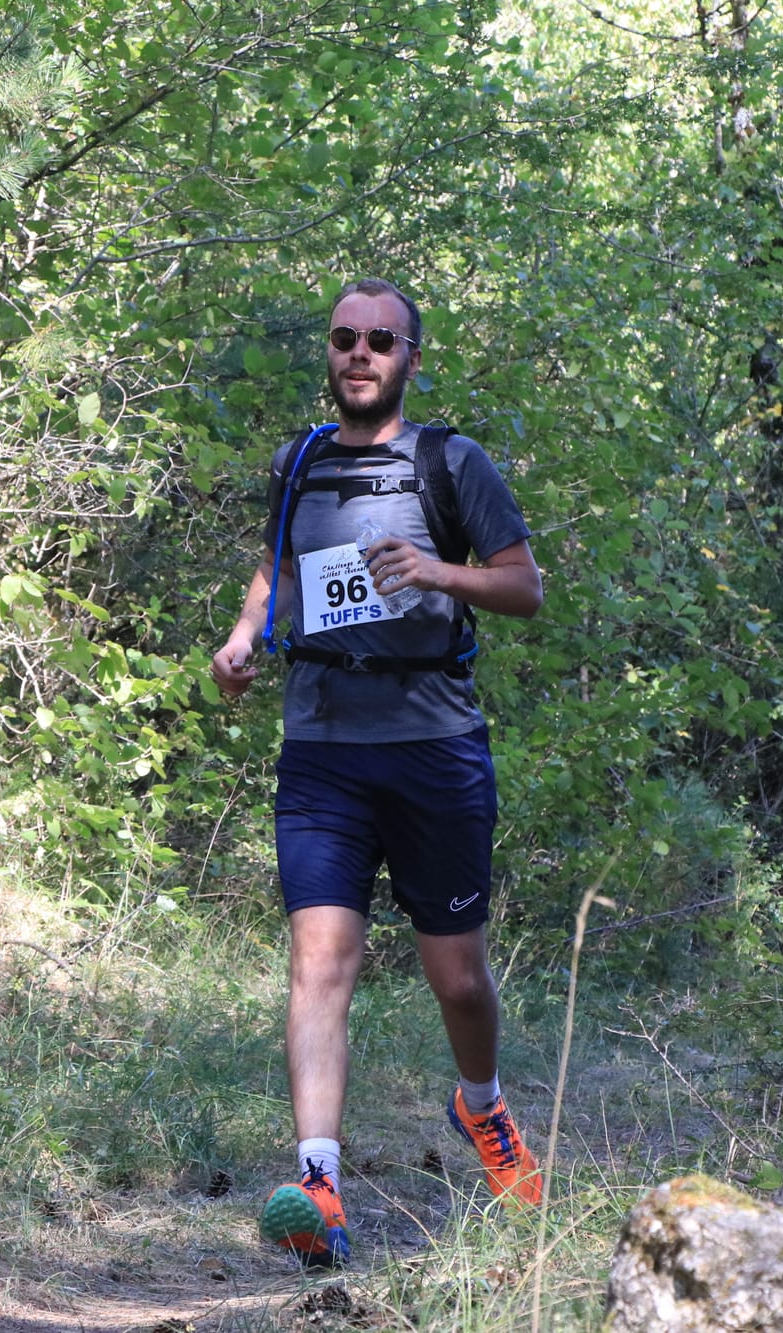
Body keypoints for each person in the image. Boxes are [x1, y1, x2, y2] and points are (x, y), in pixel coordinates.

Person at [210, 278, 546, 1266]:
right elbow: (277, 569)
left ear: (407, 357)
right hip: (320, 751)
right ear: (330, 352)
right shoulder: (300, 461)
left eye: (380, 342)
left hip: (434, 750)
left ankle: (479, 1107)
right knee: (319, 962)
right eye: (344, 339)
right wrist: (242, 639)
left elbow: (524, 584)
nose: (359, 354)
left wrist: (443, 572)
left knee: (458, 977)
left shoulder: (450, 460)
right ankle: (319, 1183)